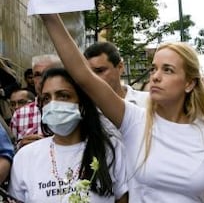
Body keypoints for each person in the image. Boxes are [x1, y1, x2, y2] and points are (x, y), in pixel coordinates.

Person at [25, 0, 204, 202]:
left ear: (190, 83)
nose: (155, 76)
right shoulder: (135, 121)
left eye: (168, 70)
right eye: (153, 68)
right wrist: (48, 13)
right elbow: (83, 75)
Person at [8, 67, 128, 202]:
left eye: (63, 95)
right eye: (46, 98)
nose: (53, 104)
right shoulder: (25, 157)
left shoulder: (110, 150)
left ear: (82, 103)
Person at [9, 54, 62, 149]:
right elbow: (8, 151)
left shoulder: (70, 110)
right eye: (37, 75)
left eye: (48, 72)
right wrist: (20, 146)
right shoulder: (19, 114)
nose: (42, 79)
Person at [83, 41, 148, 107]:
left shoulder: (148, 102)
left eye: (100, 71)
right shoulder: (83, 109)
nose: (93, 77)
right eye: (89, 73)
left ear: (120, 67)